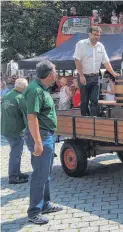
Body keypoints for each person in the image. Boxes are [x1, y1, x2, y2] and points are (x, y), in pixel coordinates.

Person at [22, 60, 63, 224]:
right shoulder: (34, 91)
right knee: (39, 175)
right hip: (41, 136)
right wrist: (38, 142)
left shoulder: (43, 88)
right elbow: (32, 118)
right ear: (49, 74)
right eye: (55, 70)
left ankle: (45, 204)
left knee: (45, 174)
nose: (57, 73)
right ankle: (34, 211)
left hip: (47, 136)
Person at [73, 26, 120, 116]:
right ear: (89, 34)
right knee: (84, 101)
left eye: (98, 35)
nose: (97, 37)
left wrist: (113, 73)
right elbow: (77, 60)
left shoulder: (100, 46)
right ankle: (85, 121)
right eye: (95, 35)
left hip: (95, 77)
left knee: (95, 100)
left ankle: (95, 121)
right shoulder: (81, 44)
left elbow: (106, 62)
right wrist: (81, 75)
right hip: (84, 77)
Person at [1, 78, 29, 184]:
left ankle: (17, 172)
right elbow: (27, 117)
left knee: (15, 152)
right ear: (24, 87)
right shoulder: (20, 98)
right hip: (15, 130)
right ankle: (13, 177)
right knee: (15, 154)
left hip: (6, 128)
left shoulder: (8, 95)